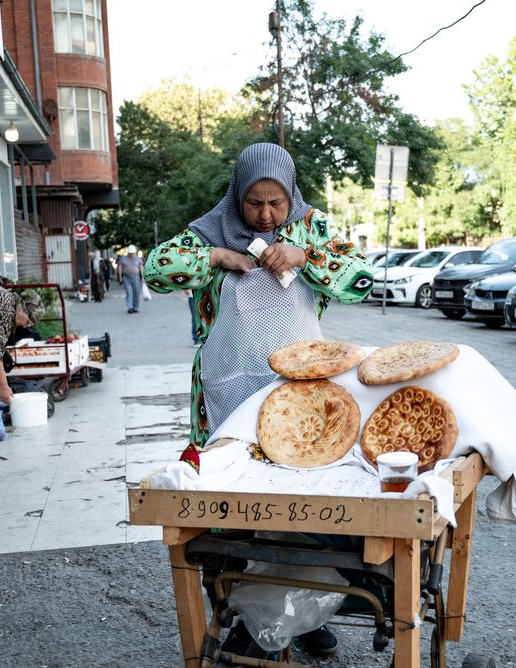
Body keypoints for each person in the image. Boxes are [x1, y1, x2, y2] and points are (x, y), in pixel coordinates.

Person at [145, 142, 373, 658]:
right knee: (229, 508)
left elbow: (360, 279)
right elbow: (157, 269)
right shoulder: (209, 230)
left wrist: (305, 257)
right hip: (227, 389)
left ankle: (301, 613)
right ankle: (238, 610)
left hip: (300, 395)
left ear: (291, 194)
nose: (266, 215)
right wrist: (216, 256)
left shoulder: (311, 227)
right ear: (237, 196)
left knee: (300, 503)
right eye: (254, 203)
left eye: (276, 203)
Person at [121, 245, 143, 314]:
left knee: (136, 293)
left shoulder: (138, 259)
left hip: (136, 277)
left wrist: (142, 277)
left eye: (132, 253)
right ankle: (130, 307)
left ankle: (136, 307)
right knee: (129, 293)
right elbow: (120, 268)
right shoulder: (123, 258)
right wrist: (120, 277)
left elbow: (141, 268)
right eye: (130, 253)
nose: (131, 254)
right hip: (127, 277)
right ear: (128, 253)